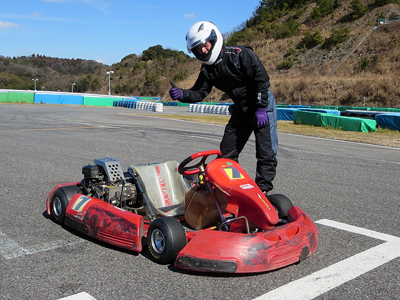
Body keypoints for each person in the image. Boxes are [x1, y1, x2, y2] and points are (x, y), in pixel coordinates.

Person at [169, 21, 277, 194]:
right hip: (241, 108)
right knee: (227, 150)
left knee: (265, 151)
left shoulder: (241, 54)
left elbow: (261, 80)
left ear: (213, 39)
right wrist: (182, 94)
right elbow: (199, 93)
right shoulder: (207, 69)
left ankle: (263, 191)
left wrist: (261, 108)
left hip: (262, 105)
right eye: (198, 48)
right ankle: (234, 188)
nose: (203, 50)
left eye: (205, 45)